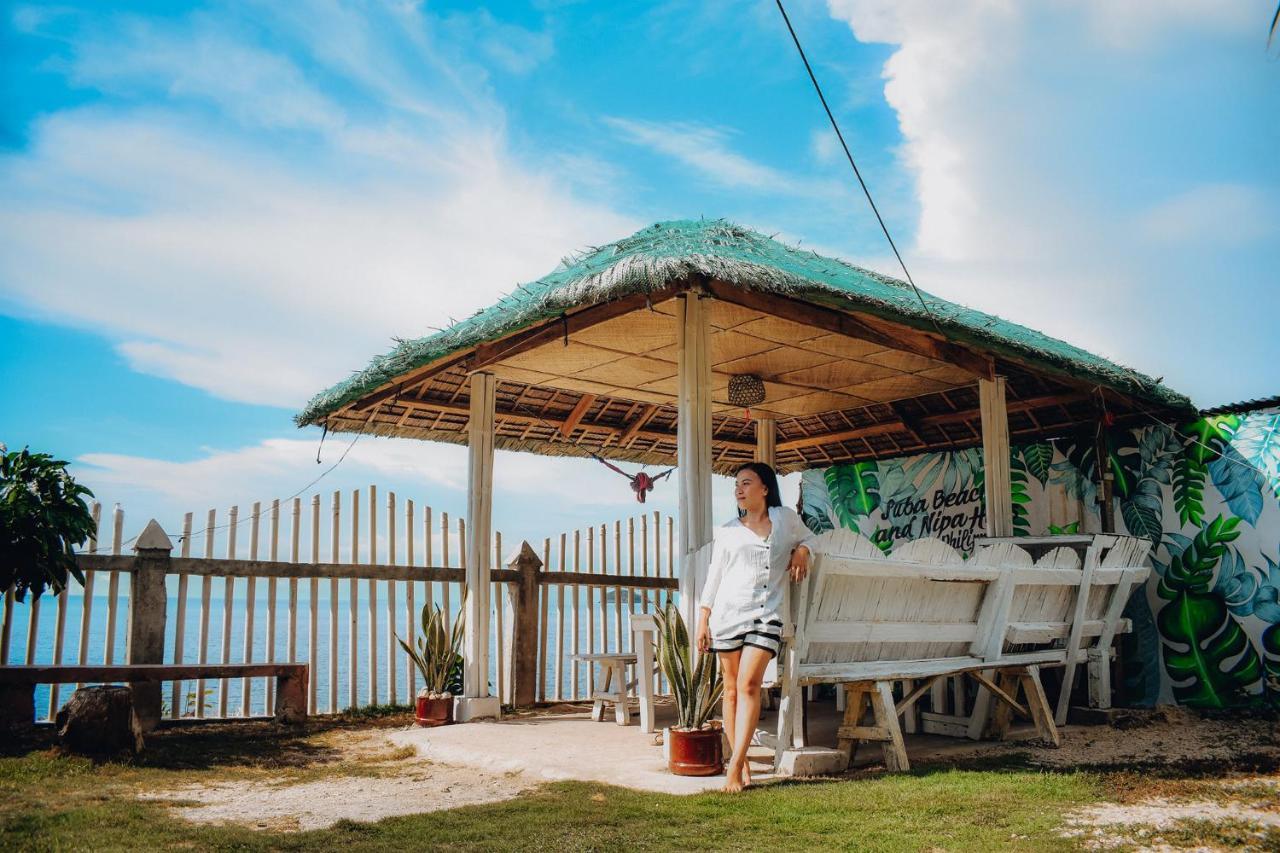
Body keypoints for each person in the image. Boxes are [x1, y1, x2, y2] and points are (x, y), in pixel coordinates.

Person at [695, 461, 816, 792]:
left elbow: (811, 537)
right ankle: (742, 761)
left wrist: (802, 550)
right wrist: (703, 620)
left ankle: (733, 766)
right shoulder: (728, 531)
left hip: (767, 616)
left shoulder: (785, 518)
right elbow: (714, 577)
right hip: (727, 616)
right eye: (737, 484)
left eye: (746, 483)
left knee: (750, 685)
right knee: (731, 691)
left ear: (764, 488)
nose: (739, 489)